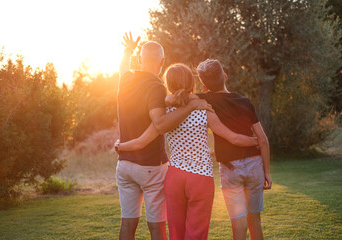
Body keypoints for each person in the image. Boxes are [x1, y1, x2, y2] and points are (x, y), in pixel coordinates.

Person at [116, 63, 259, 240]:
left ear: (168, 85)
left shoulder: (164, 112)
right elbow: (231, 137)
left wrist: (121, 146)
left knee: (176, 231)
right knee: (196, 233)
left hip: (174, 177)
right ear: (192, 83)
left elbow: (142, 140)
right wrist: (257, 141)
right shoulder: (204, 109)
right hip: (200, 177)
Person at [116, 33, 214, 240]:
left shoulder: (125, 79)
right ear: (161, 62)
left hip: (124, 165)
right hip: (150, 166)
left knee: (127, 223)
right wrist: (193, 105)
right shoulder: (156, 87)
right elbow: (160, 123)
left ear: (141, 60)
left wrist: (128, 50)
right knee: (156, 226)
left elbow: (122, 67)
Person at [196, 59, 272, 240]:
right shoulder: (244, 101)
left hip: (230, 169)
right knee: (255, 220)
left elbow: (178, 97)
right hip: (255, 165)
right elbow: (263, 139)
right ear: (225, 76)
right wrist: (267, 172)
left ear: (204, 86)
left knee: (238, 222)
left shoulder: (205, 99)